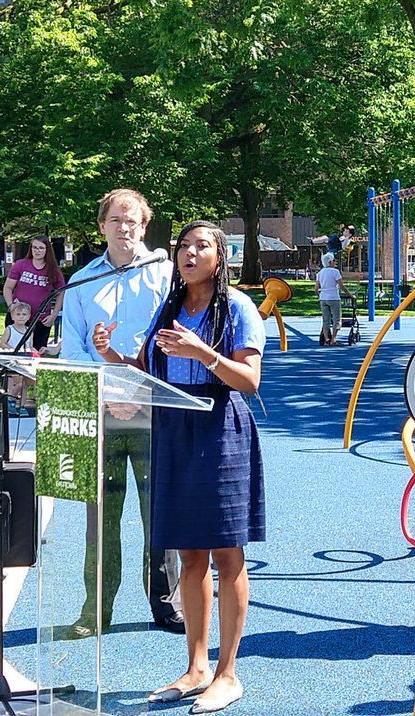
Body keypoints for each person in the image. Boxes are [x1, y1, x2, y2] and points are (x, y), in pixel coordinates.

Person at [93, 220, 265, 715]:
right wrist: (112, 355)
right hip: (174, 432)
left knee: (226, 557)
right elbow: (147, 370)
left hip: (219, 430)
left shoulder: (236, 308)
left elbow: (249, 381)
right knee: (189, 556)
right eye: (184, 247)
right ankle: (196, 667)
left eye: (201, 246)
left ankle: (228, 673)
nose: (190, 253)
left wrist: (203, 352)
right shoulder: (169, 307)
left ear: (220, 257)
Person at [60, 189, 184, 636]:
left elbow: (176, 340)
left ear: (144, 226)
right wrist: (109, 392)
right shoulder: (81, 281)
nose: (125, 228)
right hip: (102, 412)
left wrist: (139, 391)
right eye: (116, 220)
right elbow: (73, 348)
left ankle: (167, 605)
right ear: (102, 227)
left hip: (155, 411)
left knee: (160, 515)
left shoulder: (168, 276)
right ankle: (96, 609)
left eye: (132, 221)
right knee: (101, 520)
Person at [3, 235, 65, 351]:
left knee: (37, 352)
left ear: (47, 250)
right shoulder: (20, 265)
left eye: (41, 248)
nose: (37, 251)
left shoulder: (54, 270)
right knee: (13, 350)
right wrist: (11, 306)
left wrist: (53, 315)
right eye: (34, 247)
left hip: (41, 320)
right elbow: (8, 288)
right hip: (18, 317)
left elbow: (61, 293)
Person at [0, 300, 33, 408]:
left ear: (28, 317)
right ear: (12, 316)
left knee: (25, 385)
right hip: (12, 360)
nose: (21, 317)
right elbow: (2, 343)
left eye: (24, 314)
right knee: (16, 383)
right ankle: (10, 398)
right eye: (18, 314)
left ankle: (22, 406)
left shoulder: (29, 331)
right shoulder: (9, 329)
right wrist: (13, 349)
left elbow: (30, 346)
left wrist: (36, 352)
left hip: (25, 361)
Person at [315, 253, 353, 345]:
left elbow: (316, 289)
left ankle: (327, 339)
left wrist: (320, 294)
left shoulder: (320, 273)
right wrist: (350, 295)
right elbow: (341, 286)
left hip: (323, 298)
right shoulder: (335, 272)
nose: (334, 263)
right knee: (336, 319)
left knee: (326, 320)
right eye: (333, 261)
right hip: (333, 297)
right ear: (330, 262)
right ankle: (333, 339)